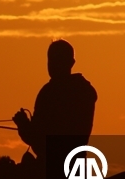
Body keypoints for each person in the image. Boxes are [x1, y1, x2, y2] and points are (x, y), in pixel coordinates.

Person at [13, 40, 98, 170]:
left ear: (71, 63)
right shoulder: (84, 91)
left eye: (56, 60)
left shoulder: (49, 92)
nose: (52, 65)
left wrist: (23, 124)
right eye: (51, 60)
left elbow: (39, 141)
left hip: (50, 166)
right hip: (77, 165)